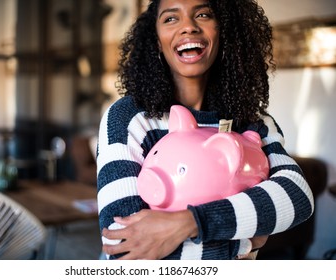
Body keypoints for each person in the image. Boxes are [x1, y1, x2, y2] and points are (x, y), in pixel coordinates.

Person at [96, 0, 314, 260]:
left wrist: (191, 222)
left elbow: (297, 197)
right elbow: (125, 248)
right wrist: (245, 244)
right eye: (170, 18)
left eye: (202, 14)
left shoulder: (254, 122)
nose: (188, 27)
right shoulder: (130, 117)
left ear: (224, 31)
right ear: (156, 41)